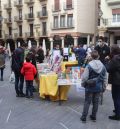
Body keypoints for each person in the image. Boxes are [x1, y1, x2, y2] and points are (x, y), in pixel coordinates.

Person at [80, 50, 108, 122]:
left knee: (87, 102)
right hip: (98, 86)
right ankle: (93, 116)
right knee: (96, 102)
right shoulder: (103, 66)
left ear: (91, 57)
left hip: (89, 86)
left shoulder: (89, 65)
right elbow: (105, 78)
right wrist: (104, 87)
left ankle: (84, 117)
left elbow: (85, 77)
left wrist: (83, 84)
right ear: (98, 56)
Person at [107, 44, 120, 121]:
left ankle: (118, 115)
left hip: (116, 81)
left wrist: (107, 61)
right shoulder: (117, 57)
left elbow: (108, 68)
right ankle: (117, 110)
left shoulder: (115, 59)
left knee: (116, 98)